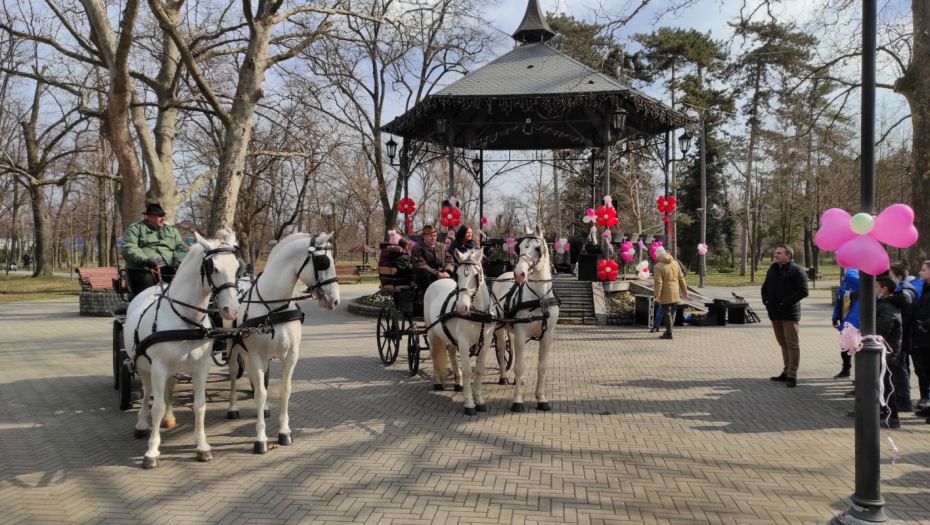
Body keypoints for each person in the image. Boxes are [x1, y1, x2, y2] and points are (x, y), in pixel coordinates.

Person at [762, 244, 809, 388]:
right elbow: (765, 288)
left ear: (788, 256)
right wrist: (767, 301)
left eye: (779, 253)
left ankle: (792, 375)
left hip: (789, 313)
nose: (775, 255)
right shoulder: (772, 270)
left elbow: (803, 291)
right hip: (775, 313)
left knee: (792, 344)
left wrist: (784, 303)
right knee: (783, 343)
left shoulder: (796, 271)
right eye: (775, 252)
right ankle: (786, 370)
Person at [121, 203, 188, 299]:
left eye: (164, 216)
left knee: (179, 293)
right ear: (149, 216)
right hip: (143, 269)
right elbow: (129, 248)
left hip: (169, 268)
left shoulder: (172, 230)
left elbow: (181, 248)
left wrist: (178, 261)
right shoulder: (135, 229)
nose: (163, 218)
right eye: (160, 216)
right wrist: (145, 260)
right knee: (148, 296)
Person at [875, 276, 909, 428]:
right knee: (883, 383)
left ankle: (892, 417)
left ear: (885, 289)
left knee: (887, 385)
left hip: (887, 353)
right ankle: (884, 412)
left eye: (876, 287)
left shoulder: (887, 308)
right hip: (886, 352)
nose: (874, 290)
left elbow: (880, 334)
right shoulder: (884, 305)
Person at [890, 262, 918, 412]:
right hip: (903, 336)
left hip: (903, 337)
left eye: (891, 275)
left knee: (900, 369)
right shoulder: (905, 290)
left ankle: (904, 400)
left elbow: (906, 318)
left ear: (898, 277)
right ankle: (901, 398)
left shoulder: (906, 292)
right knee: (901, 367)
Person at [653, 246, 687, 340]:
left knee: (666, 313)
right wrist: (684, 290)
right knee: (672, 313)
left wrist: (657, 295)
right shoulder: (675, 263)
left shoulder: (658, 266)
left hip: (665, 293)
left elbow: (658, 282)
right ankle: (669, 331)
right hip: (676, 292)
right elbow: (681, 277)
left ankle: (669, 333)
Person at [832, 269, 861, 378]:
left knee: (856, 348)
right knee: (844, 347)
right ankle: (845, 369)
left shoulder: (859, 284)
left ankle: (857, 374)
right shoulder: (844, 284)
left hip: (855, 321)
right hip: (845, 320)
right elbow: (838, 301)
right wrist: (835, 317)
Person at [410, 225, 453, 291]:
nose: (433, 238)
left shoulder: (441, 246)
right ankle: (429, 297)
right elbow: (420, 264)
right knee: (426, 276)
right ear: (424, 236)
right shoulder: (417, 248)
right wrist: (436, 273)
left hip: (441, 272)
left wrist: (446, 271)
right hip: (426, 273)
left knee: (454, 273)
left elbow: (449, 259)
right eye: (431, 236)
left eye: (434, 236)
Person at [913, 262, 930, 419]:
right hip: (923, 339)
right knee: (923, 372)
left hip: (927, 335)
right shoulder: (925, 289)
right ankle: (927, 402)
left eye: (924, 270)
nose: (920, 272)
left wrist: (925, 324)